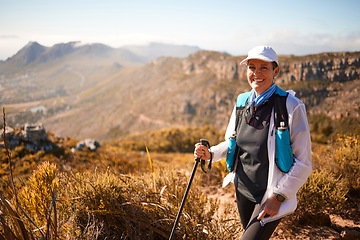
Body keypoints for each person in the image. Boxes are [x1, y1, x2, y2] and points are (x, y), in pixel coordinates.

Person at [194, 46, 312, 240]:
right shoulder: (242, 101)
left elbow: (304, 162)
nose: (256, 73)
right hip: (242, 189)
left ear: (276, 71)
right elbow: (232, 141)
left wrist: (278, 197)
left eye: (263, 67)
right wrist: (211, 153)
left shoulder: (290, 105)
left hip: (270, 195)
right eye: (251, 67)